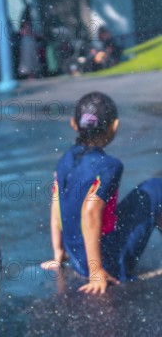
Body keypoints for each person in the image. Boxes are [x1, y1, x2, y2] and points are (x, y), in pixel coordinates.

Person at [41, 92, 162, 294]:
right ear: (114, 126)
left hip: (77, 257)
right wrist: (96, 271)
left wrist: (59, 253)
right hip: (106, 261)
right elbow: (91, 212)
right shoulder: (110, 166)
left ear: (73, 124)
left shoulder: (65, 160)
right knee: (155, 188)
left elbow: (57, 201)